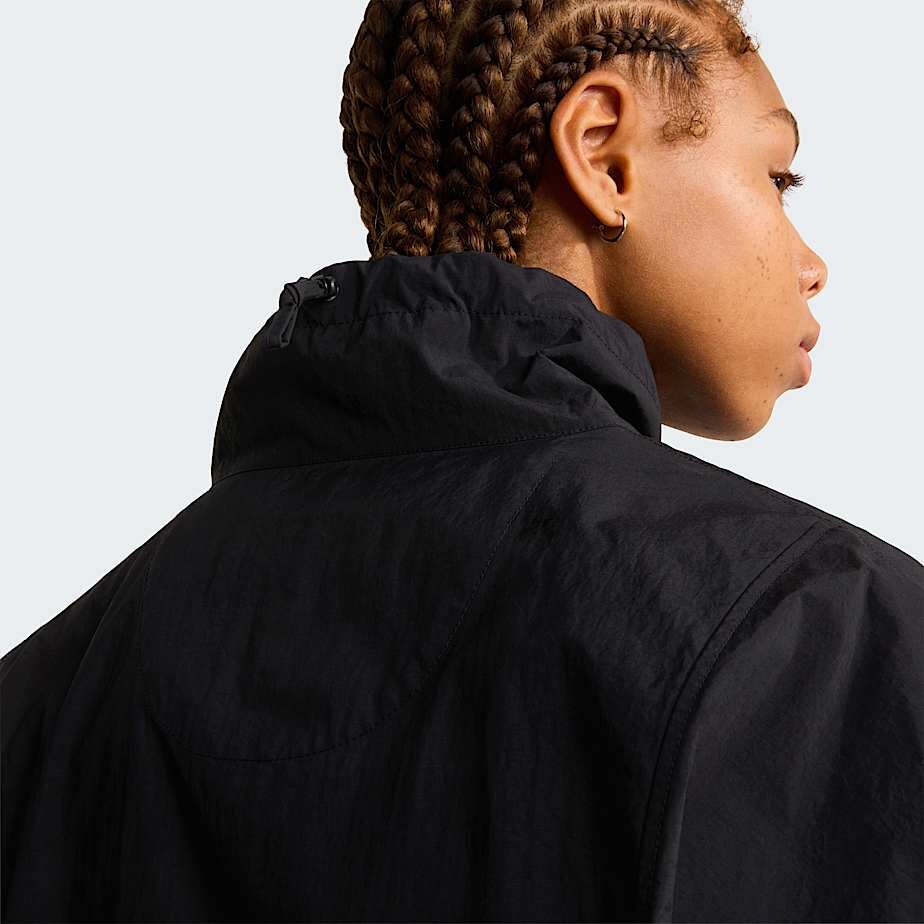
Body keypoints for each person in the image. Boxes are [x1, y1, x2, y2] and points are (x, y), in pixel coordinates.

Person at [2, 1, 921, 921]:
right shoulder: (817, 633)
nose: (813, 264)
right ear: (602, 154)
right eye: (778, 176)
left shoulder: (49, 691)